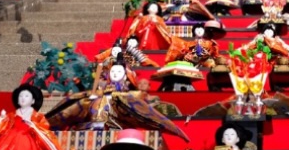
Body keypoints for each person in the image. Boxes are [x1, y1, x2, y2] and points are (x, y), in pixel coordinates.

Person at [45, 58, 190, 141]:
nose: (115, 74)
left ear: (125, 76)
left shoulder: (130, 97)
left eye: (119, 71)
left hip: (115, 130)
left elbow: (147, 113)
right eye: (112, 71)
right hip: (87, 129)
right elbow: (70, 107)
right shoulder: (94, 94)